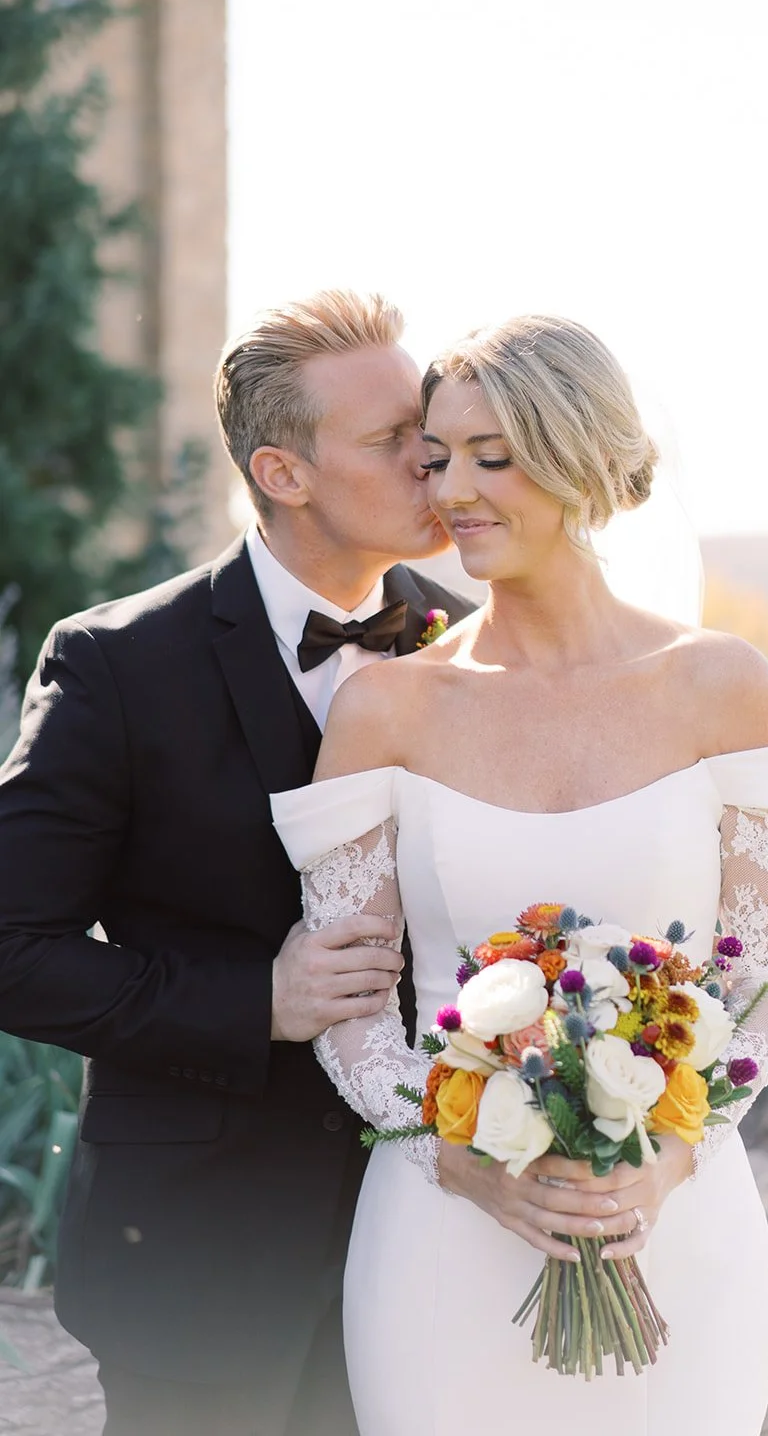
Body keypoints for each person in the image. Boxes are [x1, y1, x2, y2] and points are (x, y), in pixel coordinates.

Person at [271, 315, 768, 1435]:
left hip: (675, 1224)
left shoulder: (720, 684)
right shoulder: (385, 707)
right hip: (442, 1233)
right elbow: (350, 1007)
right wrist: (461, 1157)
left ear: (579, 458)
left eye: (493, 457)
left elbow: (767, 980)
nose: (452, 492)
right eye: (437, 458)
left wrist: (665, 1158)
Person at [0, 289, 475, 1435]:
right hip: (195, 1259)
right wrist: (253, 1000)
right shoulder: (115, 665)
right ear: (282, 472)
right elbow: (10, 947)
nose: (432, 461)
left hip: (434, 1240)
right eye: (391, 440)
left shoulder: (475, 650)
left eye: (429, 429)